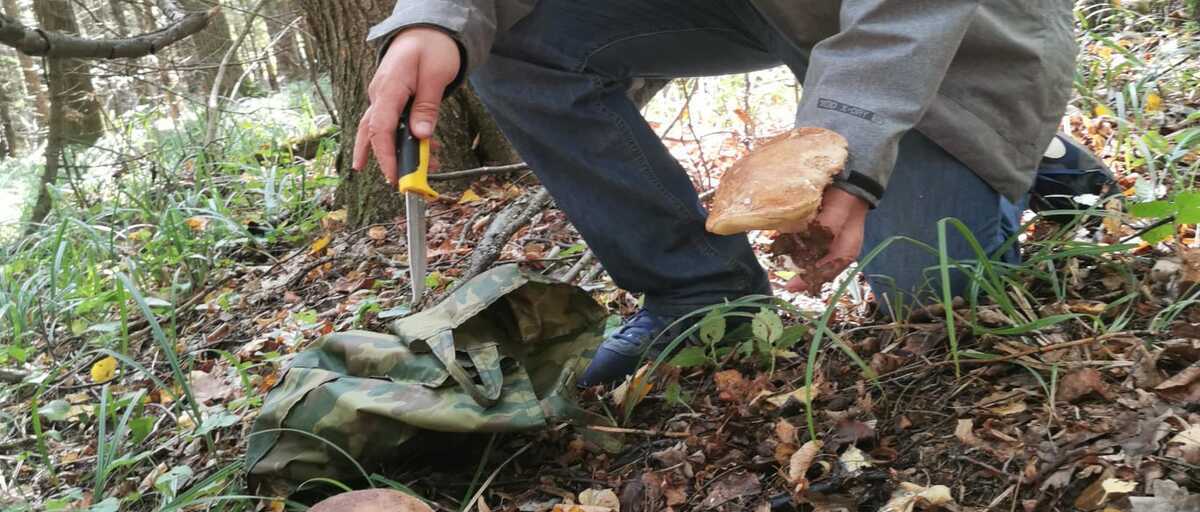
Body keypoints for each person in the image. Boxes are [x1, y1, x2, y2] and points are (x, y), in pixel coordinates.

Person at [354, 1, 1112, 388]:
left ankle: (1020, 148)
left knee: (933, 295)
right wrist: (437, 18)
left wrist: (849, 160)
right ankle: (701, 294)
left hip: (944, 28)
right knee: (512, 39)